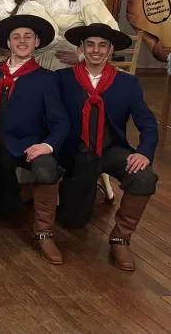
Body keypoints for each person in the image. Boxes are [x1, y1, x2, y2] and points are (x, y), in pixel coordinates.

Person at [56, 24, 159, 271]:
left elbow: (147, 123)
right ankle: (93, 193)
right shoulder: (62, 79)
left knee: (144, 178)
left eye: (103, 45)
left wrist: (144, 152)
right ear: (81, 48)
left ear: (111, 49)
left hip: (110, 150)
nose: (96, 50)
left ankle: (120, 238)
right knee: (72, 222)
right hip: (76, 153)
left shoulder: (127, 83)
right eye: (90, 44)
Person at [0, 15, 69, 265]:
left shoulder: (47, 79)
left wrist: (47, 145)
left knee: (46, 168)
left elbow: (60, 122)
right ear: (8, 43)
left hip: (27, 143)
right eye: (16, 37)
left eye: (28, 37)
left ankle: (44, 232)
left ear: (37, 42)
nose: (22, 41)